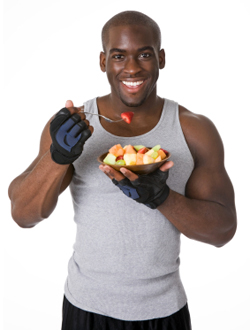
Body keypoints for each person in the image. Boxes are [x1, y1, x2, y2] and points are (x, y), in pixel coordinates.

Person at [8, 10, 237, 330]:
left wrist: (161, 197)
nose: (131, 67)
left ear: (161, 58)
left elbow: (223, 231)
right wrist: (58, 155)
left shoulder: (194, 130)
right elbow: (23, 213)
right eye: (119, 56)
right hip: (85, 307)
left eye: (144, 54)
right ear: (103, 61)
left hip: (164, 311)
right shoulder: (73, 125)